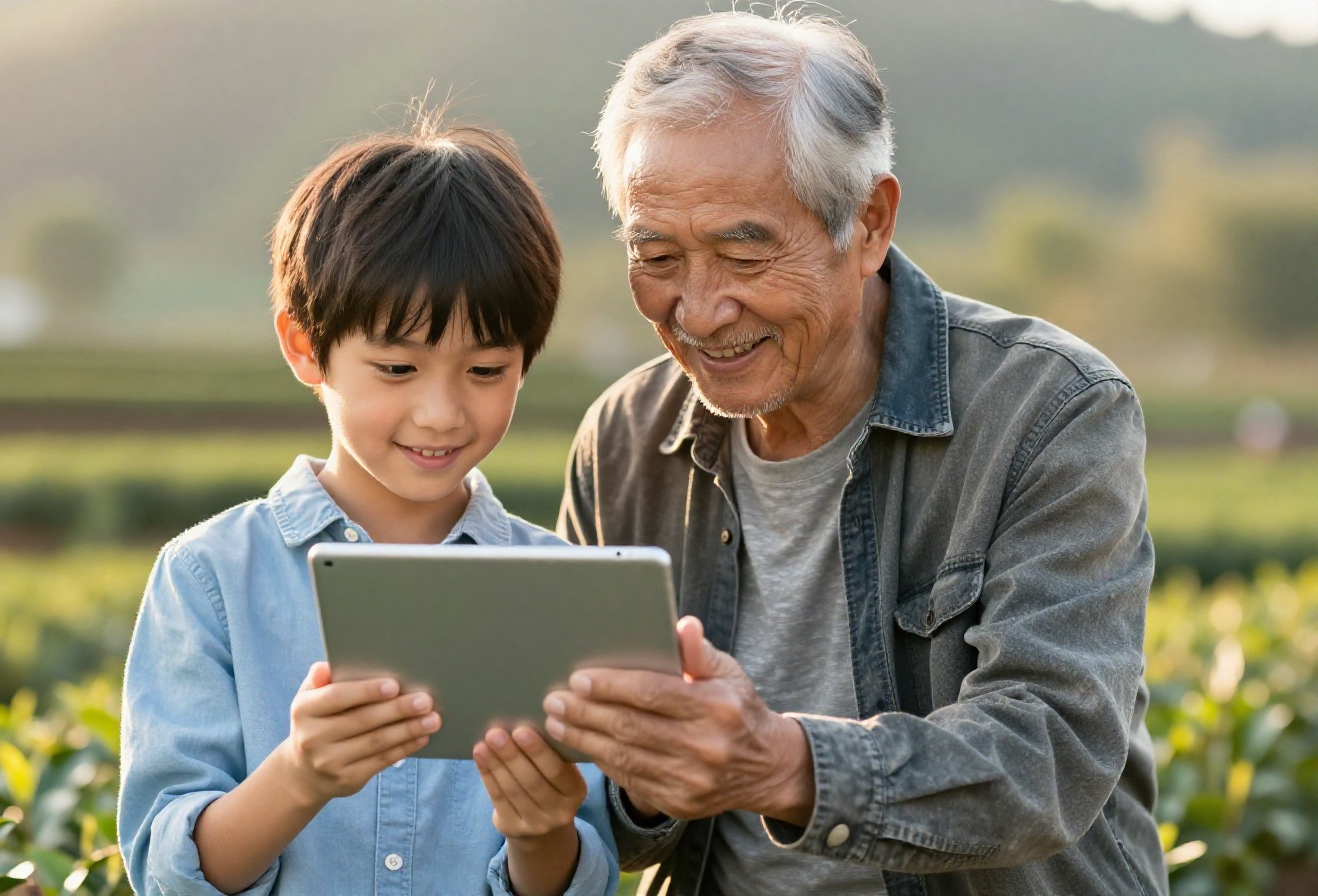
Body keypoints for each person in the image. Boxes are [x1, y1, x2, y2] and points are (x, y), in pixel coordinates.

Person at [541, 11, 1167, 896]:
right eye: (658, 256)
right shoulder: (624, 440)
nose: (701, 308)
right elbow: (604, 813)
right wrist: (631, 776)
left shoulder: (1052, 410)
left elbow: (1051, 756)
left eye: (743, 252)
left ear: (869, 223)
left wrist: (783, 764)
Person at [117, 119, 618, 896]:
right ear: (304, 347)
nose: (442, 412)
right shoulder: (210, 577)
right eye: (397, 367)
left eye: (487, 369)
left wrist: (540, 830)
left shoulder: (555, 589)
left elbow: (579, 875)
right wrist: (300, 774)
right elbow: (166, 875)